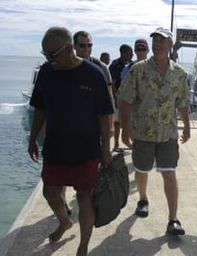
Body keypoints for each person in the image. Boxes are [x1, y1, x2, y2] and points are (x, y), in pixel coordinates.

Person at [28, 27, 113, 256]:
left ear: (68, 49)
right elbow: (40, 108)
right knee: (50, 192)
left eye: (52, 55)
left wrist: (106, 149)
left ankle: (83, 247)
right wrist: (32, 137)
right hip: (55, 147)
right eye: (45, 54)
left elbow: (105, 115)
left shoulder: (93, 74)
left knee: (84, 195)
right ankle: (65, 221)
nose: (48, 60)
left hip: (86, 150)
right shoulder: (46, 72)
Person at [118, 27, 190, 235]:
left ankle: (173, 219)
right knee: (141, 170)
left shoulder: (179, 73)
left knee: (169, 173)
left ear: (170, 45)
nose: (158, 44)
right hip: (143, 133)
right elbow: (125, 99)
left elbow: (183, 102)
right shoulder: (138, 70)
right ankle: (142, 199)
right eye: (155, 40)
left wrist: (186, 125)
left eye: (162, 40)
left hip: (168, 134)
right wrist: (125, 127)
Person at [109, 44, 133, 151]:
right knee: (117, 122)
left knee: (131, 120)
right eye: (130, 53)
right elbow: (113, 83)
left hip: (130, 96)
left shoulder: (132, 64)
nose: (132, 55)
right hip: (118, 95)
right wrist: (114, 99)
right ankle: (116, 144)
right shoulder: (115, 65)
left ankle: (131, 141)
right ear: (124, 53)